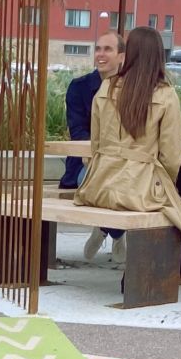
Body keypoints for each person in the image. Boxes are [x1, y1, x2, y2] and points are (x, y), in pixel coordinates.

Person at [74, 25, 181, 268]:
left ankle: (106, 231)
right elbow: (171, 155)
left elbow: (95, 144)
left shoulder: (106, 87)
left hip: (100, 183)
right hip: (139, 187)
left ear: (128, 53)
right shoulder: (165, 94)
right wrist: (166, 183)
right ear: (159, 56)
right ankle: (162, 269)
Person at [60, 30, 127, 262]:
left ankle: (103, 228)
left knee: (127, 183)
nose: (100, 54)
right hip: (86, 162)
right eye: (98, 49)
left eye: (108, 49)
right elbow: (78, 133)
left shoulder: (131, 89)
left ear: (121, 56)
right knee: (100, 181)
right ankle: (116, 232)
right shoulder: (78, 88)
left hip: (122, 162)